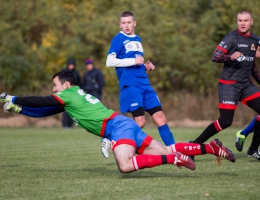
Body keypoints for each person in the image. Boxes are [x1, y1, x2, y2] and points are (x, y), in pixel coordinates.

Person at [0, 70, 236, 174]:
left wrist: (14, 97)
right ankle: (209, 148)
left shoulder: (68, 94)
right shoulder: (70, 98)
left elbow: (41, 101)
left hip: (117, 127)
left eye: (55, 85)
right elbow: (44, 110)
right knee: (165, 148)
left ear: (66, 85)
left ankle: (173, 159)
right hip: (124, 124)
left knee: (125, 165)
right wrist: (19, 108)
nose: (53, 90)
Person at [190, 10, 260, 160]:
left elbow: (251, 64)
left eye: (245, 20)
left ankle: (253, 149)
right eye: (240, 20)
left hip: (246, 85)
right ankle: (194, 146)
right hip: (229, 85)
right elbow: (215, 56)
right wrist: (230, 56)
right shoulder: (231, 38)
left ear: (251, 22)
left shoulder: (254, 40)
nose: (242, 23)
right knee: (225, 121)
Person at [105, 11, 175, 157]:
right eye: (123, 23)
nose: (126, 25)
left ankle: (174, 152)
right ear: (120, 24)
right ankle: (111, 139)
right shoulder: (118, 39)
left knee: (160, 117)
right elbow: (109, 61)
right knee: (140, 122)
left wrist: (145, 67)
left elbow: (136, 63)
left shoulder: (138, 39)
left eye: (129, 22)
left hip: (145, 84)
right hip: (131, 86)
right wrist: (134, 61)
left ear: (134, 23)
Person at [61, 58, 81, 128]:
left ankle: (70, 125)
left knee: (72, 110)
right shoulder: (63, 72)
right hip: (65, 93)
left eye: (72, 65)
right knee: (65, 109)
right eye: (70, 65)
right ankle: (65, 124)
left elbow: (79, 83)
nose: (71, 66)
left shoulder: (76, 73)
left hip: (73, 94)